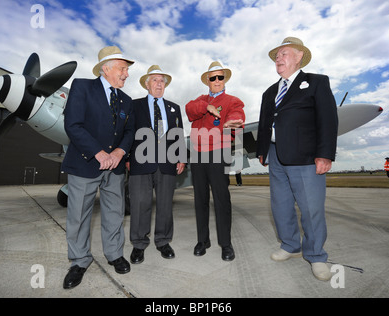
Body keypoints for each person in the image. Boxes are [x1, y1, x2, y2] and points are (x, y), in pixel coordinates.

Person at [256, 37, 338, 281]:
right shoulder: (270, 91)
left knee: (311, 208)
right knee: (280, 205)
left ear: (299, 56)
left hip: (305, 158)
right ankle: (290, 245)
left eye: (283, 54)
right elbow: (264, 123)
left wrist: (324, 154)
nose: (278, 59)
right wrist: (262, 150)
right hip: (275, 156)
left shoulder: (316, 82)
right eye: (276, 56)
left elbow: (328, 119)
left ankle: (316, 255)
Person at [61, 46, 135, 289]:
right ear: (106, 68)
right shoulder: (82, 87)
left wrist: (119, 152)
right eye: (123, 68)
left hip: (114, 168)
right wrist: (98, 152)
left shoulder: (126, 100)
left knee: (114, 213)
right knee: (78, 216)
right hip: (85, 164)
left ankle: (114, 254)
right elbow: (73, 124)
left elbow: (129, 132)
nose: (126, 74)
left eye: (126, 69)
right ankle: (80, 261)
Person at [186, 61, 245, 261]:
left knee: (221, 199)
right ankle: (203, 240)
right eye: (213, 78)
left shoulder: (232, 101)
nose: (217, 81)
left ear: (225, 79)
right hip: (197, 155)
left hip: (218, 153)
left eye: (221, 77)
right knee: (200, 199)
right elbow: (190, 109)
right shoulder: (199, 100)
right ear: (208, 81)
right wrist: (207, 106)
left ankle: (225, 244)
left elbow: (237, 113)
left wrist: (234, 121)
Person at [127, 65, 185, 264]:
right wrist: (127, 157)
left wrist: (181, 156)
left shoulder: (174, 108)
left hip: (167, 163)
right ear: (146, 84)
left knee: (165, 206)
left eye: (162, 81)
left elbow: (178, 134)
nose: (159, 84)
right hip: (140, 162)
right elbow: (127, 133)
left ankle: (163, 241)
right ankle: (138, 244)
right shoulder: (134, 106)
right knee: (140, 204)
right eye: (155, 80)